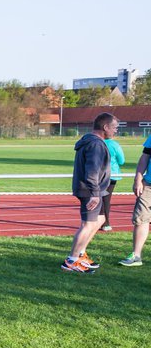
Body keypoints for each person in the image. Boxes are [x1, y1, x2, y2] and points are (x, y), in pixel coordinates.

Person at [62, 113, 116, 273]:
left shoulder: (92, 141)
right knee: (88, 224)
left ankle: (80, 253)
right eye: (114, 127)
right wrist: (94, 193)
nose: (115, 131)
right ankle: (71, 261)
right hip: (90, 190)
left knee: (100, 219)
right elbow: (92, 171)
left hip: (94, 189)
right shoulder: (96, 144)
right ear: (105, 127)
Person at [119, 134, 151, 267]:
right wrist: (137, 179)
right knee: (140, 219)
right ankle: (136, 256)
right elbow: (144, 157)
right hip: (149, 184)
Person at [102, 130, 125, 232]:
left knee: (98, 198)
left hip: (98, 174)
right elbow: (121, 161)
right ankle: (106, 223)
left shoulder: (97, 142)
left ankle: (96, 221)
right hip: (112, 174)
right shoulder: (115, 145)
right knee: (106, 199)